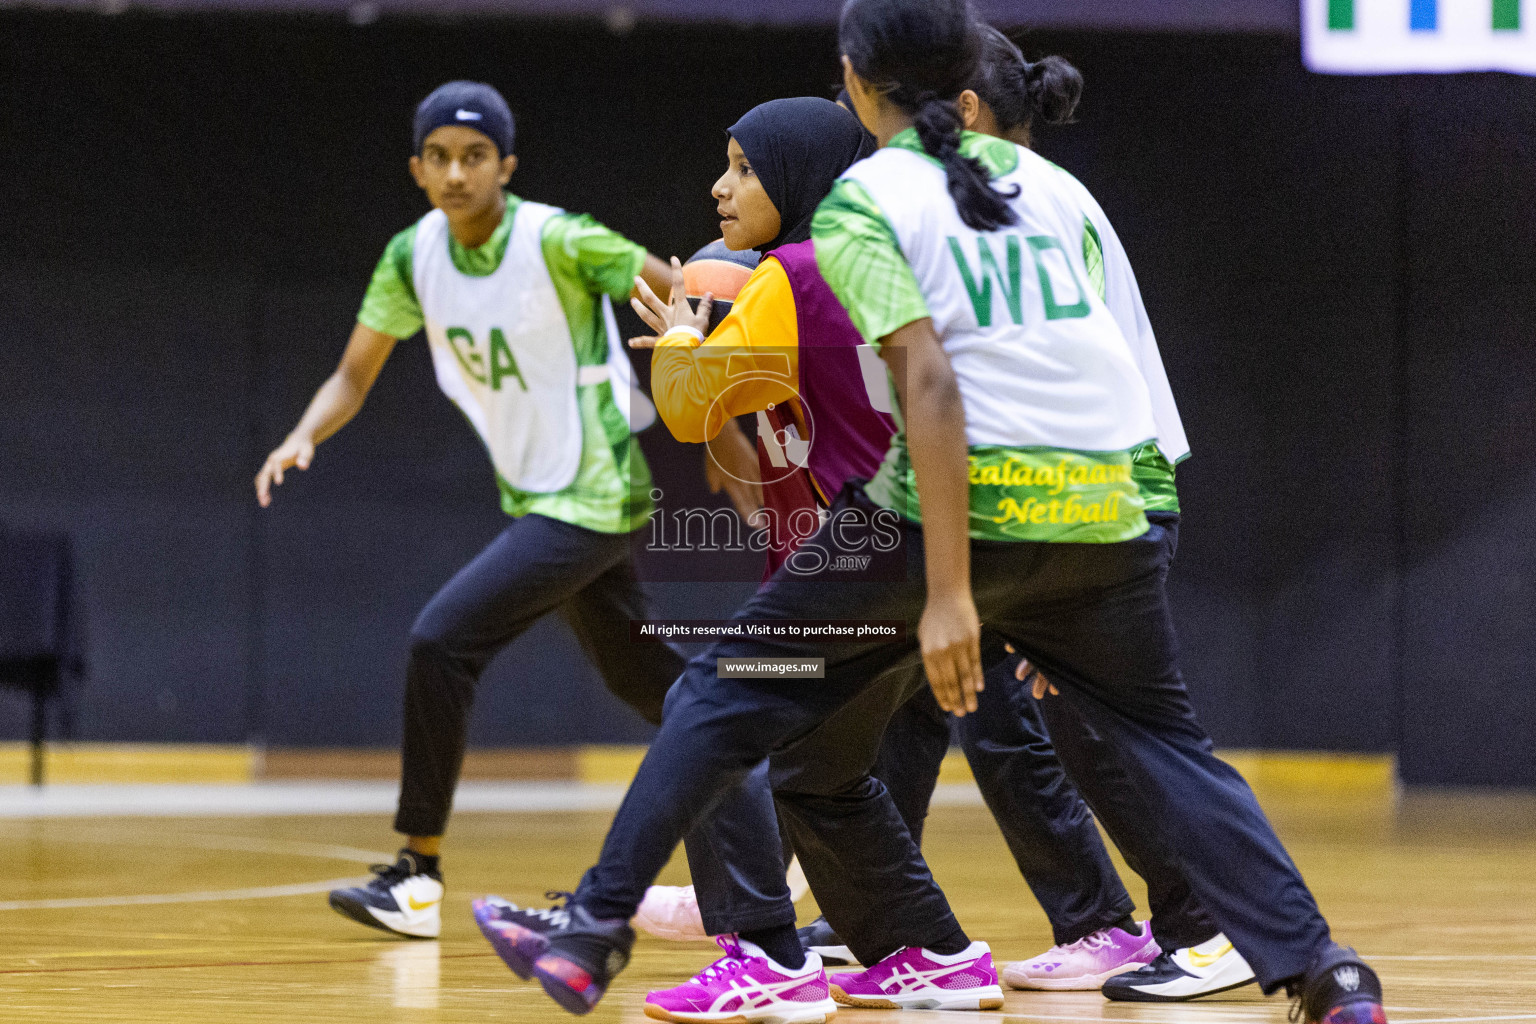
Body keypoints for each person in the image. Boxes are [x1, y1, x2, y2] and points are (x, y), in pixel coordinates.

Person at [476, 2, 1392, 1021]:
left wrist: (952, 590)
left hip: (948, 515)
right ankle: (1325, 970)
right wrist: (1137, 540)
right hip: (1111, 499)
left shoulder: (864, 202)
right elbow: (1103, 358)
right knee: (1159, 746)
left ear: (857, 81)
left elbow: (932, 387)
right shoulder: (1051, 183)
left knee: (722, 691)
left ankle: (598, 929)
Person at [253, 80, 684, 940]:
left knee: (441, 640)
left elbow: (675, 285)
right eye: (440, 157)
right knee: (658, 689)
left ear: (507, 166)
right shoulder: (414, 257)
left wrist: (703, 333)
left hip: (596, 490)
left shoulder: (558, 239)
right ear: (417, 168)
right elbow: (352, 374)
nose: (457, 172)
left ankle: (417, 873)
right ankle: (779, 766)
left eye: (475, 156)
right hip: (542, 492)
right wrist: (305, 432)